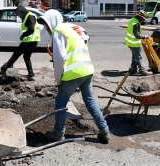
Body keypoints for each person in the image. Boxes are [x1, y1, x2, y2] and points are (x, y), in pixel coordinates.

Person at [37, 9, 111, 143]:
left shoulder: (58, 32)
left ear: (52, 22)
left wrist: (58, 80)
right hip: (87, 70)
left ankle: (58, 133)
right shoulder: (69, 29)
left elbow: (59, 60)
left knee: (60, 102)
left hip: (74, 73)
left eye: (46, 24)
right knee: (90, 100)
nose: (45, 27)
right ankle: (105, 131)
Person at [0, 5, 41, 81]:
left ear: (22, 12)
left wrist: (23, 35)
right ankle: (31, 74)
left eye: (18, 14)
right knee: (26, 57)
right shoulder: (28, 16)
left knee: (16, 54)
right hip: (33, 41)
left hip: (29, 41)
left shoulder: (29, 17)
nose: (18, 16)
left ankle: (4, 68)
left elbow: (31, 29)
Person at [124, 10, 152, 76]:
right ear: (140, 17)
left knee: (135, 56)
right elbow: (137, 35)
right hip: (134, 43)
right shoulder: (136, 23)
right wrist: (145, 36)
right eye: (143, 19)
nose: (143, 20)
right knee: (139, 57)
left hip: (129, 42)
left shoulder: (132, 20)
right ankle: (142, 71)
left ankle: (133, 70)